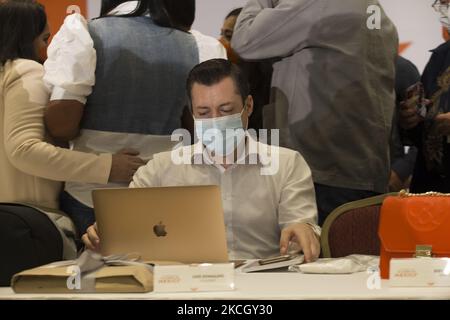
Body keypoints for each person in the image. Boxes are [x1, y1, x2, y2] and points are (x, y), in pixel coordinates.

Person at [83, 59, 321, 262]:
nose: (216, 121)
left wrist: (303, 231)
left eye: (226, 110)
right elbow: (124, 231)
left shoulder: (287, 163)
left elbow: (300, 229)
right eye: (204, 113)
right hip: (182, 285)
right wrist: (105, 236)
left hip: (262, 283)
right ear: (193, 113)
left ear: (248, 106)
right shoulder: (161, 168)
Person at [232, 0, 398, 225]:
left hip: (318, 172)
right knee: (354, 258)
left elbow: (244, 38)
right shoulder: (378, 13)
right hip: (364, 174)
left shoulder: (316, 3)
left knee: (309, 258)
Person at [43, 0, 199, 235]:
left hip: (93, 196)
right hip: (165, 192)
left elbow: (62, 125)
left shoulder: (85, 33)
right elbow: (196, 129)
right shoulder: (196, 44)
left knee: (92, 271)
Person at [0, 0, 144, 252]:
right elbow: (24, 149)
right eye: (45, 40)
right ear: (25, 36)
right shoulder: (27, 72)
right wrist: (107, 167)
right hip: (28, 223)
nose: (47, 51)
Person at [399, 0, 450, 193]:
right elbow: (422, 124)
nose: (445, 10)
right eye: (442, 3)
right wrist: (410, 119)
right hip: (431, 192)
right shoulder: (441, 55)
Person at [389, 56, 420, 192]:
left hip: (387, 177)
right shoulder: (326, 62)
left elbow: (424, 131)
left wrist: (400, 172)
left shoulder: (401, 69)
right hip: (328, 177)